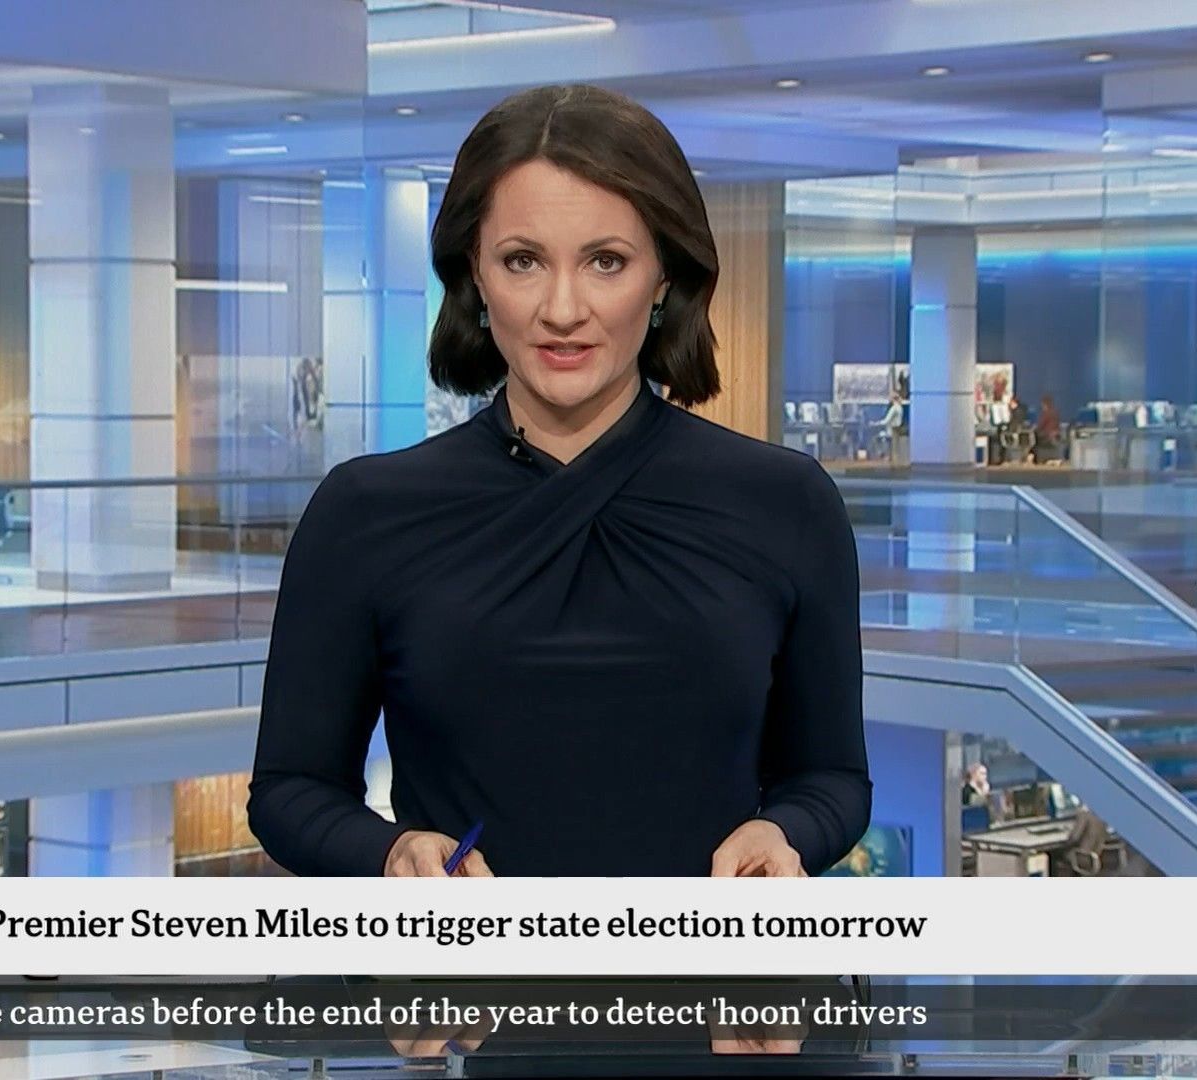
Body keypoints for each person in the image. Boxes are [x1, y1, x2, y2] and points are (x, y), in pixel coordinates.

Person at [248, 84, 871, 880]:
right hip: (465, 962)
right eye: (524, 261)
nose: (563, 309)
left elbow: (831, 778)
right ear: (475, 277)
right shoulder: (364, 512)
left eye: (606, 261)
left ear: (663, 279)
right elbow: (291, 790)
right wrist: (391, 851)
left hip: (701, 960)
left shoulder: (786, 503)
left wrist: (784, 833)